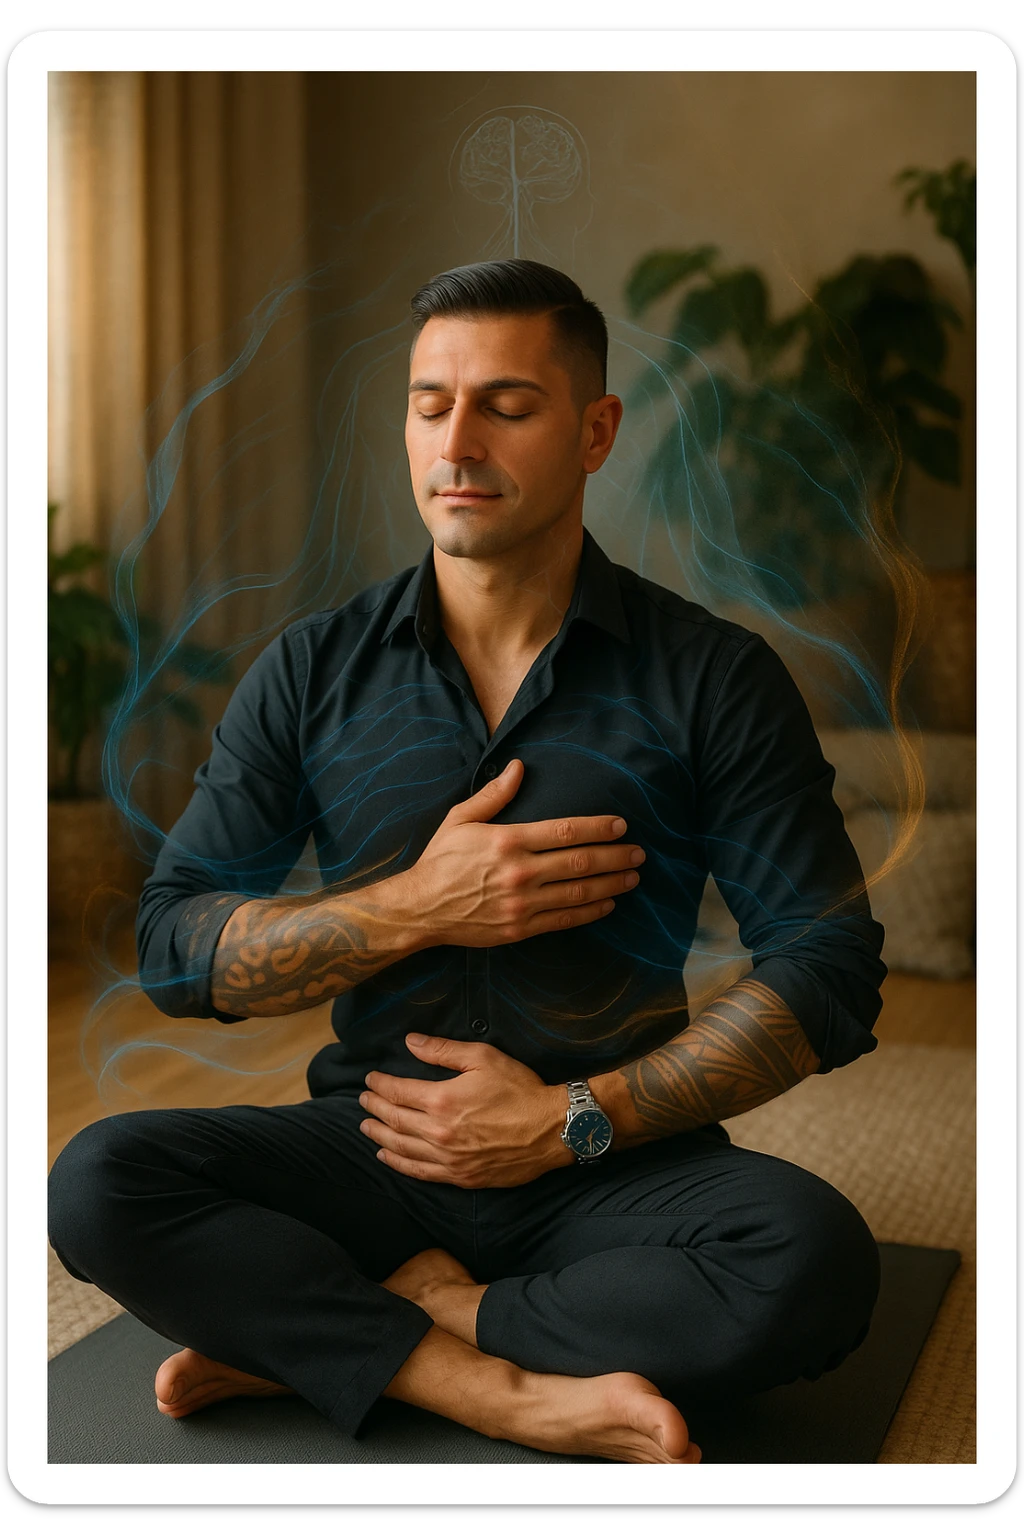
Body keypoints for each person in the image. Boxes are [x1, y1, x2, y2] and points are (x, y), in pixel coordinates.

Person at [48, 259, 886, 1465]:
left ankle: (351, 1330)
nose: (457, 441)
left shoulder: (712, 674)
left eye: (507, 403)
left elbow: (828, 961)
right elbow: (176, 945)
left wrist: (568, 1124)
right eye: (428, 402)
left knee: (813, 1263)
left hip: (609, 1160)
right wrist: (411, 908)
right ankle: (489, 1386)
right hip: (375, 1149)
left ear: (594, 431)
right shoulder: (311, 669)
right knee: (99, 1181)